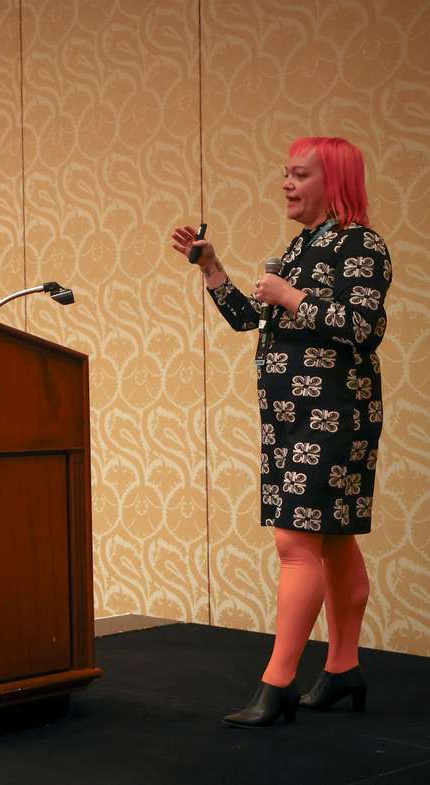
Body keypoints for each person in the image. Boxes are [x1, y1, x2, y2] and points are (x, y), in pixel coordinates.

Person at [172, 136, 390, 728]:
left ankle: (278, 685)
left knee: (296, 544)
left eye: (298, 175)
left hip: (336, 415)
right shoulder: (301, 247)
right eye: (285, 174)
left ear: (333, 181)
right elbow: (251, 318)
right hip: (290, 418)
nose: (286, 184)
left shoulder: (361, 246)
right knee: (335, 538)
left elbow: (364, 326)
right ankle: (343, 669)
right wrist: (212, 268)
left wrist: (291, 295)